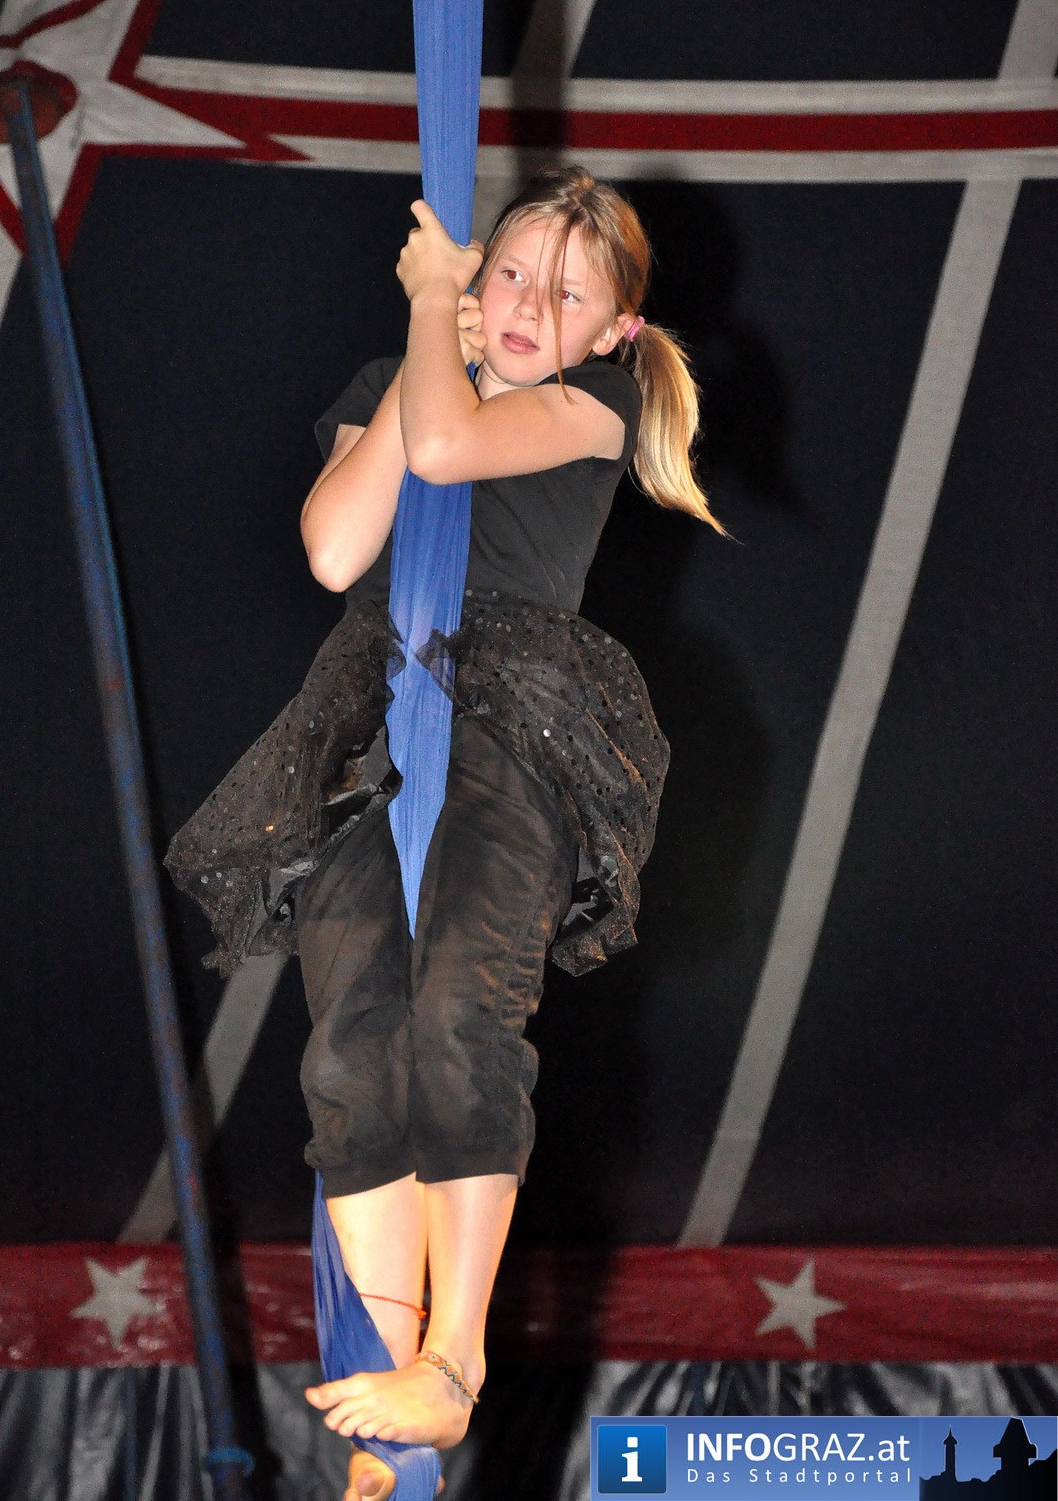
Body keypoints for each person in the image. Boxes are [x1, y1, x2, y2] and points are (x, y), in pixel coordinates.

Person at [164, 165, 726, 1501]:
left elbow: (449, 451)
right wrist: (429, 337)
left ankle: (454, 1362)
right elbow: (334, 550)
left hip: (513, 720)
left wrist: (435, 313)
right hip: (376, 721)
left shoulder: (594, 404)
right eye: (510, 273)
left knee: (460, 1009)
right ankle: (388, 1402)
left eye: (566, 294)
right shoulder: (397, 379)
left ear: (615, 330)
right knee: (350, 1044)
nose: (528, 304)